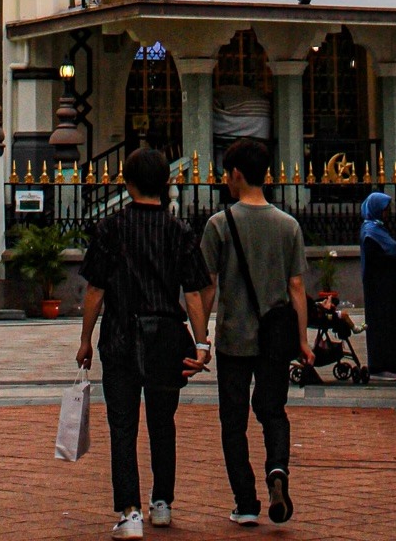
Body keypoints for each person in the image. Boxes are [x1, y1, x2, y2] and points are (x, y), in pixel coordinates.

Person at [76, 147, 211, 539]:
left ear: (128, 182)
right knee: (162, 422)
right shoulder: (179, 230)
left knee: (123, 424)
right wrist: (201, 343)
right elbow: (193, 292)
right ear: (165, 182)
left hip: (120, 333)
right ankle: (162, 501)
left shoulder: (111, 228)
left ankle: (129, 510)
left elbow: (95, 290)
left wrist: (85, 339)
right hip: (166, 335)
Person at [199, 140, 314, 528]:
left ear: (236, 174)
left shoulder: (219, 225)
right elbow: (296, 286)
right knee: (273, 411)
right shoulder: (288, 225)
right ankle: (277, 469)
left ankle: (246, 502)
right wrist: (302, 340)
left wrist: (200, 337)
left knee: (233, 421)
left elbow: (208, 287)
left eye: (226, 175)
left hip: (234, 337)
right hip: (275, 340)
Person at [359, 192, 396, 380]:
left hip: (388, 289)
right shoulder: (370, 232)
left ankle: (393, 365)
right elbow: (376, 261)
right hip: (379, 291)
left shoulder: (379, 230)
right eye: (385, 209)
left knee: (391, 327)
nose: (388, 213)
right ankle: (381, 366)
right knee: (382, 327)